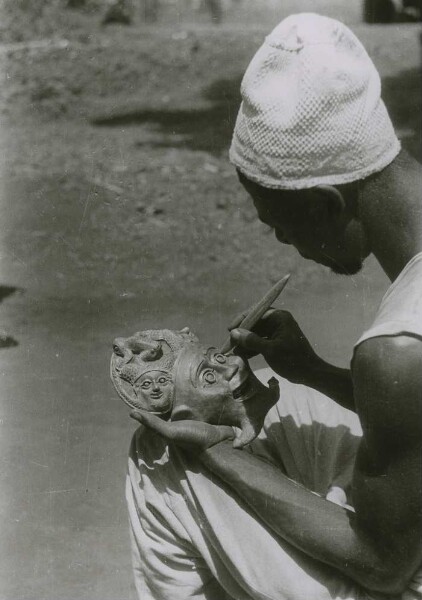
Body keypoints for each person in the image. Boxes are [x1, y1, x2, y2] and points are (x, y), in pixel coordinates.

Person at [128, 13, 422, 599]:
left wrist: (216, 455)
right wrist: (311, 372)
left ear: (326, 204)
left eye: (280, 226)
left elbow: (385, 564)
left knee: (160, 458)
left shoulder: (395, 351)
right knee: (296, 405)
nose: (284, 244)